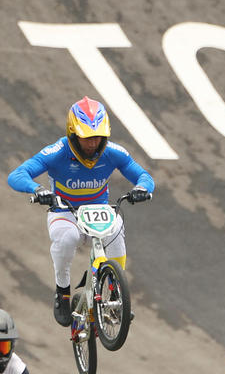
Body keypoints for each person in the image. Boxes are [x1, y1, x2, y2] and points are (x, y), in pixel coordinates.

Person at [7, 96, 154, 327]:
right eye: (86, 139)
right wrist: (37, 189)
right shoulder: (56, 152)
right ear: (73, 134)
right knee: (68, 238)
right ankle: (62, 291)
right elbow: (16, 175)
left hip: (100, 210)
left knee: (116, 229)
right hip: (64, 212)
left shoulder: (114, 152)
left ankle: (116, 296)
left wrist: (142, 188)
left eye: (98, 137)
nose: (93, 144)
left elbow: (143, 175)